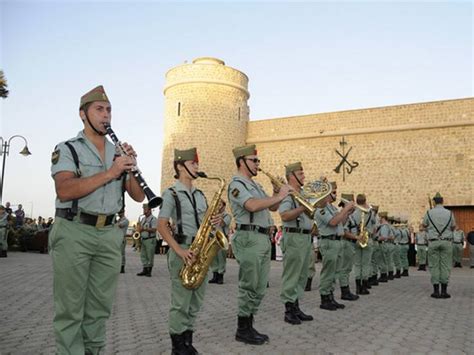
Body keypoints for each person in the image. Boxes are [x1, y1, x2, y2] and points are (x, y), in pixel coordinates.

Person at [49, 85, 145, 354]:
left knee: (99, 309)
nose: (106, 116)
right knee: (70, 310)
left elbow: (138, 197)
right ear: (83, 114)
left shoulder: (117, 151)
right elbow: (65, 190)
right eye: (99, 109)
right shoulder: (68, 148)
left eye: (109, 110)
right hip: (74, 231)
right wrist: (111, 172)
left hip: (108, 235)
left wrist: (133, 166)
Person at [157, 147, 223, 354]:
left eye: (197, 163)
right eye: (193, 163)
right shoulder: (171, 193)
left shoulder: (201, 194)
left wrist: (216, 220)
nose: (197, 167)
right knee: (181, 303)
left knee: (196, 301)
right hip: (183, 249)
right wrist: (179, 251)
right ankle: (177, 347)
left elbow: (206, 223)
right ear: (180, 166)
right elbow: (161, 225)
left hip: (201, 250)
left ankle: (187, 341)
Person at [228, 144, 290, 345]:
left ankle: (249, 323)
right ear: (242, 162)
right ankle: (242, 328)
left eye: (257, 161)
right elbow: (252, 205)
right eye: (254, 160)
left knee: (260, 286)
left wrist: (275, 193)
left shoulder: (255, 185)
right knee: (250, 285)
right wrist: (279, 195)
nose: (257, 164)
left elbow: (272, 206)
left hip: (262, 238)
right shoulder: (237, 184)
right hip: (248, 238)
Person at [278, 162, 314, 325]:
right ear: (291, 176)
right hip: (294, 237)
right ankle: (289, 310)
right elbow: (284, 215)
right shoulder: (289, 194)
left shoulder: (302, 193)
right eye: (300, 174)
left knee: (301, 275)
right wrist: (302, 208)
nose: (304, 176)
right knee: (292, 274)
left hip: (305, 237)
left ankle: (296, 306)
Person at [314, 181, 354, 310]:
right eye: (334, 192)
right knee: (328, 272)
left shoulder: (332, 208)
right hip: (328, 242)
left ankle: (330, 296)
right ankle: (325, 298)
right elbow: (333, 222)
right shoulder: (321, 209)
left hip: (336, 241)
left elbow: (340, 222)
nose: (336, 195)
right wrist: (346, 209)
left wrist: (347, 213)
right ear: (326, 193)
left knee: (335, 272)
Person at [422, 192, 456, 299]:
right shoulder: (449, 213)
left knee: (434, 265)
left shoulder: (429, 213)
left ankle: (436, 291)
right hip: (446, 241)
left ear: (434, 202)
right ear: (442, 201)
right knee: (445, 266)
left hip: (433, 241)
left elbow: (424, 225)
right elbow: (453, 226)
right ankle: (444, 291)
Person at [336, 194, 359, 300]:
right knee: (344, 269)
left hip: (350, 243)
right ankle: (344, 291)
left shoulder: (349, 215)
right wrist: (356, 237)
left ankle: (346, 290)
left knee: (347, 268)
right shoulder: (343, 215)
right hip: (346, 242)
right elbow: (344, 231)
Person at [352, 194, 376, 295]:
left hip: (356, 238)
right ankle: (364, 286)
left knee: (357, 263)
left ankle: (358, 286)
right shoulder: (370, 213)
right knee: (366, 263)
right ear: (365, 201)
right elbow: (374, 227)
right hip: (367, 238)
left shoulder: (353, 212)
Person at [208, 201, 232, 284]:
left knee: (221, 258)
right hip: (212, 238)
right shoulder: (213, 215)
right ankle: (214, 275)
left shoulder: (227, 216)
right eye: (217, 205)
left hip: (222, 238)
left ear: (224, 206)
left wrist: (218, 217)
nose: (218, 206)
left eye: (220, 205)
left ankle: (220, 276)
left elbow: (222, 224)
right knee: (213, 257)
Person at [136, 204, 157, 277]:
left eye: (146, 210)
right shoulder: (143, 219)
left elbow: (154, 229)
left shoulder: (153, 219)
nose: (144, 211)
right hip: (143, 239)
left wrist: (144, 229)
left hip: (150, 239)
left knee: (149, 255)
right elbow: (140, 228)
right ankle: (144, 269)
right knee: (143, 255)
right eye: (143, 210)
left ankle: (149, 271)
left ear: (150, 210)